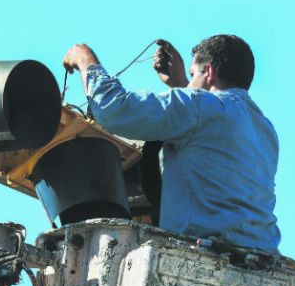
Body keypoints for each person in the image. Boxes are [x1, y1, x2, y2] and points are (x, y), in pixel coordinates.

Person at [62, 35, 282, 254]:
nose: (189, 83)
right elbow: (207, 127)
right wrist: (180, 82)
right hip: (261, 259)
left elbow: (114, 109)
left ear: (209, 71)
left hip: (203, 255)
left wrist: (85, 59)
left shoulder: (198, 105)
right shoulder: (264, 129)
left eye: (193, 74)